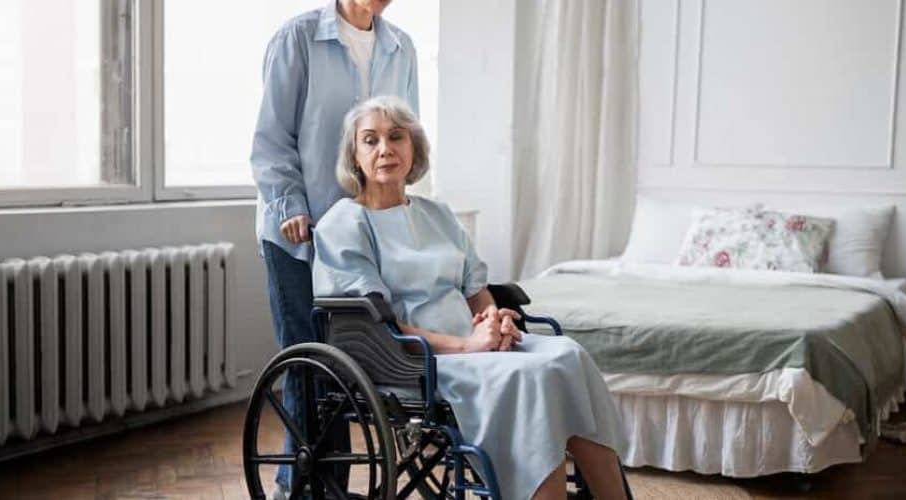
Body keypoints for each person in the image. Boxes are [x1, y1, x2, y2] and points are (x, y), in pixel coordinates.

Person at [312, 96, 630, 500]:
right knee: (526, 377)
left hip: (473, 343)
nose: (385, 149)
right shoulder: (344, 223)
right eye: (370, 141)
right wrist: (468, 345)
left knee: (568, 355)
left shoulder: (437, 214)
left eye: (396, 137)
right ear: (355, 157)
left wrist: (494, 321)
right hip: (410, 357)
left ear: (414, 149)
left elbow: (475, 290)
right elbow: (376, 324)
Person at [249, 1, 418, 496]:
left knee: (350, 367)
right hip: (298, 235)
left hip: (361, 236)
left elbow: (406, 136)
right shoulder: (297, 39)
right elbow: (271, 141)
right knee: (310, 366)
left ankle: (312, 486)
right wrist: (290, 206)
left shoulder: (400, 48)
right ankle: (305, 488)